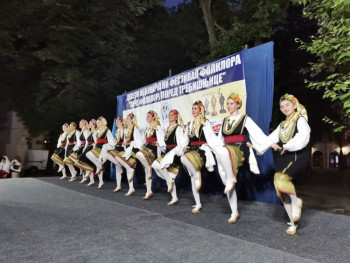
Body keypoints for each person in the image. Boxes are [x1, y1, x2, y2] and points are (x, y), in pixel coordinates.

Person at [211, 93, 277, 223]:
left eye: (231, 104)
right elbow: (219, 140)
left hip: (240, 149)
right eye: (228, 104)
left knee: (227, 168)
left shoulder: (244, 118)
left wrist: (269, 143)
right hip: (226, 150)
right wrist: (210, 145)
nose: (229, 106)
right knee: (227, 180)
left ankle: (230, 179)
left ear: (238, 105)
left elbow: (256, 132)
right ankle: (234, 212)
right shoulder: (225, 121)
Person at [268, 93, 310, 236]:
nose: (284, 108)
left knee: (281, 178)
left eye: (287, 105)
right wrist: (255, 145)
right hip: (284, 157)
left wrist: (288, 145)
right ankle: (293, 222)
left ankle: (296, 202)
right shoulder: (282, 125)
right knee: (281, 190)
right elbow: (270, 139)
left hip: (297, 154)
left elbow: (303, 136)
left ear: (294, 105)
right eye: (282, 106)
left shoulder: (300, 120)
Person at [180, 101, 217, 213]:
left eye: (196, 108)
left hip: (201, 150)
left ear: (200, 110)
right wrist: (184, 146)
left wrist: (208, 144)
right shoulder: (190, 124)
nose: (193, 110)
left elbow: (211, 137)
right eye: (192, 108)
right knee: (192, 177)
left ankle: (197, 174)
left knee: (185, 161)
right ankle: (198, 203)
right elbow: (186, 140)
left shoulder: (205, 122)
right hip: (191, 150)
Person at [152, 109, 185, 206]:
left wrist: (178, 152)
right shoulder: (167, 129)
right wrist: (160, 144)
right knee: (155, 165)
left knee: (160, 167)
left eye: (172, 115)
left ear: (176, 117)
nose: (170, 116)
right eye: (169, 115)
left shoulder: (178, 128)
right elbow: (165, 144)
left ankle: (171, 186)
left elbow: (180, 143)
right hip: (167, 152)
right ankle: (174, 197)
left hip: (173, 154)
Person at [135, 110, 165, 200]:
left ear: (153, 118)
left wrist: (160, 143)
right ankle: (148, 191)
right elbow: (146, 140)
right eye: (147, 116)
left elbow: (161, 139)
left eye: (149, 116)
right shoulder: (148, 128)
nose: (147, 117)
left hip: (153, 150)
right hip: (147, 148)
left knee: (139, 154)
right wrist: (144, 143)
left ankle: (150, 168)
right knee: (147, 169)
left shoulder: (157, 127)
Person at [115, 113, 143, 196]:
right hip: (127, 149)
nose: (125, 120)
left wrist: (131, 143)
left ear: (131, 120)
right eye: (126, 118)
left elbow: (139, 142)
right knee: (126, 167)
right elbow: (126, 141)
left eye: (127, 118)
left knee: (119, 158)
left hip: (134, 150)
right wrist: (125, 143)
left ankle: (131, 186)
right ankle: (131, 188)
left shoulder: (135, 129)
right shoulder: (126, 129)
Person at [86, 116, 115, 189]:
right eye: (97, 122)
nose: (97, 123)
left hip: (103, 149)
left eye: (99, 122)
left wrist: (108, 147)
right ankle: (100, 179)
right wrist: (94, 147)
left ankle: (101, 181)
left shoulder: (107, 130)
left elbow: (111, 141)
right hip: (97, 148)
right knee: (91, 157)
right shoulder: (96, 131)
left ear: (102, 123)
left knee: (99, 162)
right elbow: (96, 141)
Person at [104, 117, 126, 192]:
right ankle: (118, 185)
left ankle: (118, 185)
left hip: (122, 149)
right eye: (116, 121)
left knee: (117, 166)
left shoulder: (125, 130)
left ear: (121, 122)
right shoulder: (117, 131)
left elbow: (125, 140)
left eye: (117, 121)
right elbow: (115, 141)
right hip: (117, 148)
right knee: (108, 156)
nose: (116, 123)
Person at [74, 119, 97, 185]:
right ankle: (85, 177)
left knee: (85, 162)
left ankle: (87, 178)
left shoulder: (86, 131)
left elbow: (87, 141)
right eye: (79, 123)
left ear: (84, 124)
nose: (79, 124)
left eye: (81, 123)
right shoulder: (83, 131)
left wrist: (84, 148)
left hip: (86, 147)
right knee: (84, 163)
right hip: (83, 147)